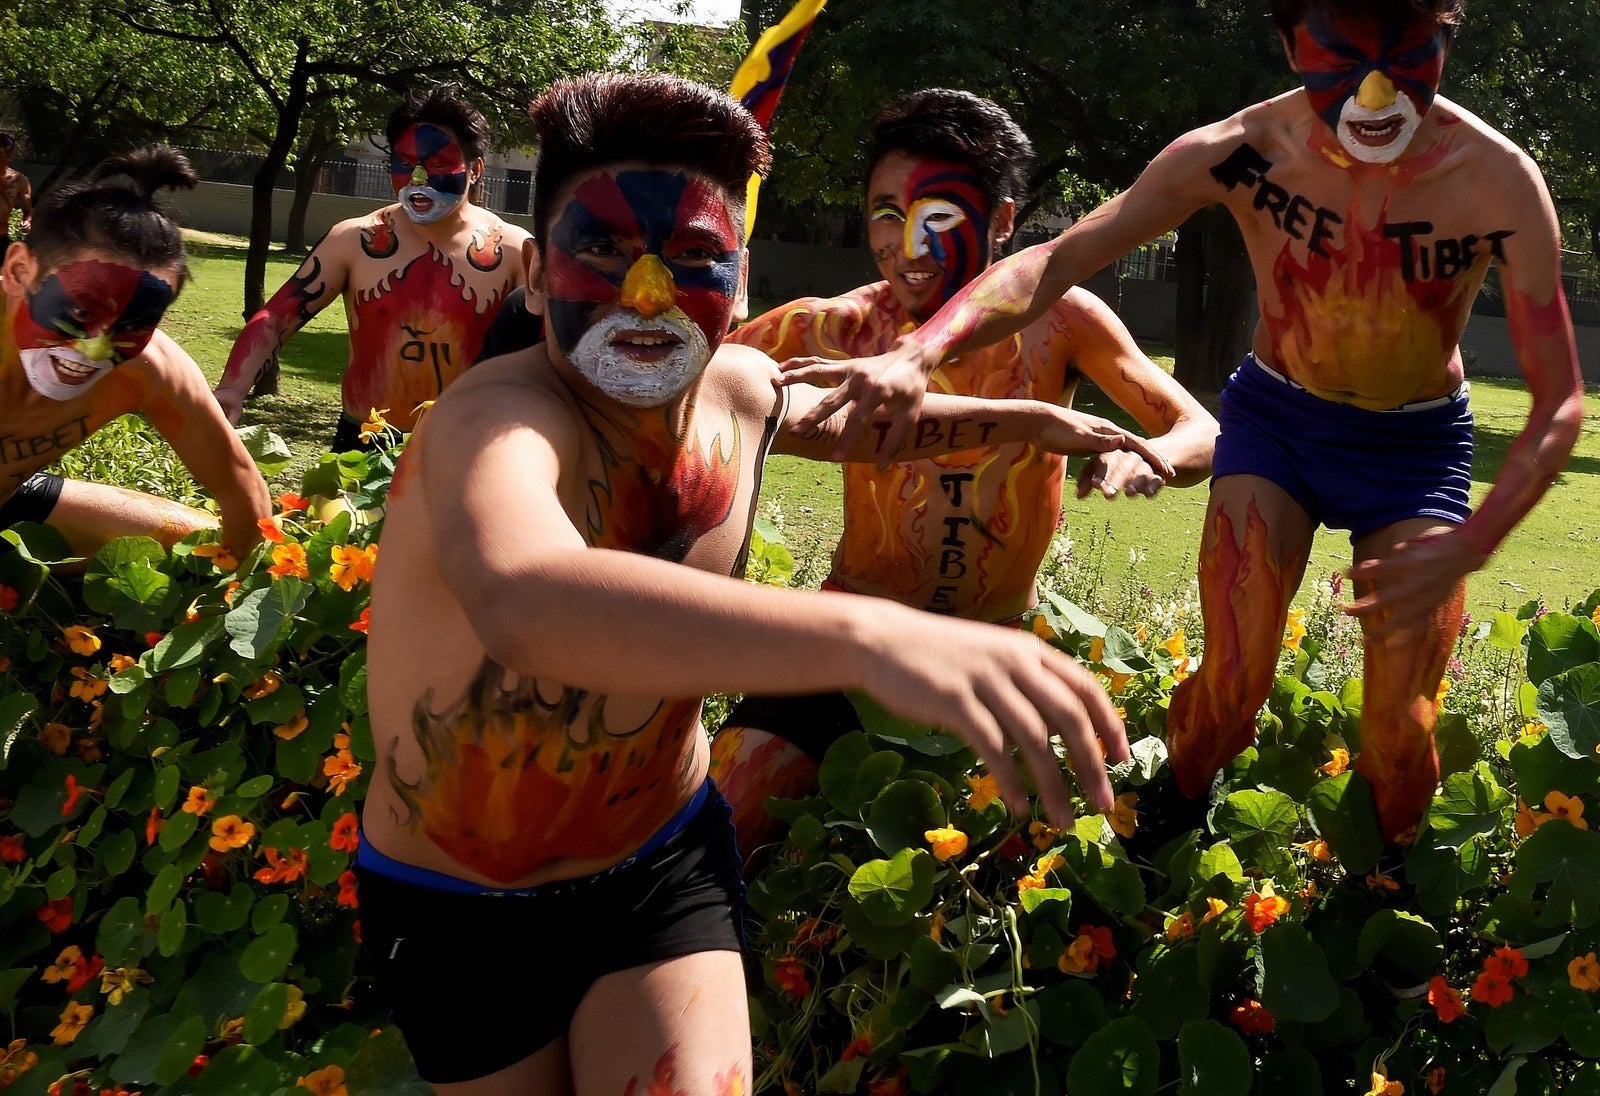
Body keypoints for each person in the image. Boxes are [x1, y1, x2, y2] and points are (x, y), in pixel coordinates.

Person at [358, 72, 1150, 1095]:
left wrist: (1035, 422)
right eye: (602, 251)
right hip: (464, 909)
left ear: (738, 285)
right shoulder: (492, 423)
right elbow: (527, 596)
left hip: (659, 865)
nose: (649, 293)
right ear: (536, 276)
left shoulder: (736, 388)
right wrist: (875, 637)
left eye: (694, 257)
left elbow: (852, 421)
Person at [775, 0, 1586, 846]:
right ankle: (1167, 823)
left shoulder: (1495, 181)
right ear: (1289, 45)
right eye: (1341, 57)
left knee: (1400, 733)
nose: (1375, 93)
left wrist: (1473, 540)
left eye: (1410, 55)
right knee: (1229, 692)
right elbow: (1059, 256)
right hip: (1279, 427)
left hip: (1414, 451)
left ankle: (1388, 894)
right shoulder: (1242, 151)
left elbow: (1560, 399)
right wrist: (918, 352)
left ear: (1447, 38)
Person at [705, 88, 1218, 855]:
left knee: (1029, 872)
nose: (906, 244)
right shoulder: (836, 327)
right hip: (855, 641)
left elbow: (1202, 430)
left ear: (1003, 219)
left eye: (937, 215)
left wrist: (1146, 454)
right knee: (725, 823)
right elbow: (692, 386)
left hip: (997, 652)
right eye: (885, 213)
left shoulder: (1063, 320)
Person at [213, 85, 533, 451]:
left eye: (436, 166)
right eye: (404, 165)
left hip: (468, 448)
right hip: (363, 443)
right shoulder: (353, 240)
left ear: (474, 169)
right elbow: (275, 318)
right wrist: (232, 388)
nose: (417, 180)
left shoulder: (513, 250)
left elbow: (547, 354)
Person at [0, 146, 270, 559]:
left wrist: (235, 584)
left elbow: (240, 486)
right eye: (81, 310)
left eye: (135, 324)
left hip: (12, 500)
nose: (96, 348)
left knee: (196, 544)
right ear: (19, 270)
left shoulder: (150, 369)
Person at [1, 132, 33, 255]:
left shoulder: (19, 180)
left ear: (11, 155)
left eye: (5, 153)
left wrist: (27, 221)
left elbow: (28, 210)